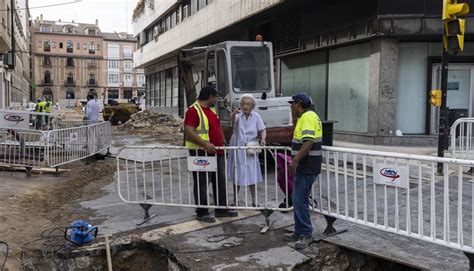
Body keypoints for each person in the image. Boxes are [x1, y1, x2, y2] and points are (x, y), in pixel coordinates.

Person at [184, 86, 238, 223]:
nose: (216, 100)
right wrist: (204, 144)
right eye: (215, 97)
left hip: (217, 151)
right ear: (210, 96)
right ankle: (202, 211)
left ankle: (221, 209)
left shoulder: (212, 110)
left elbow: (216, 127)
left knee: (219, 181)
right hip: (201, 153)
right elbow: (188, 131)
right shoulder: (193, 110)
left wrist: (223, 140)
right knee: (202, 182)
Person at [284, 93, 322, 250]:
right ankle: (298, 231)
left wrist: (295, 161)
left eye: (292, 104)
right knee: (298, 199)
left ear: (298, 104)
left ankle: (305, 234)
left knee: (300, 200)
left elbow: (308, 142)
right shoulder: (306, 117)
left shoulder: (307, 117)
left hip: (307, 166)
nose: (291, 107)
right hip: (305, 167)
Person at [227, 94, 266, 207]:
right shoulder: (238, 115)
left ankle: (254, 200)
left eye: (248, 104)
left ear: (252, 106)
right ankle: (235, 199)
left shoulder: (256, 116)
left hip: (250, 147)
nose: (245, 106)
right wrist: (233, 115)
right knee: (236, 172)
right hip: (238, 146)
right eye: (243, 104)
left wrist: (263, 139)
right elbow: (233, 124)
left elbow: (263, 129)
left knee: (252, 173)